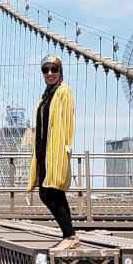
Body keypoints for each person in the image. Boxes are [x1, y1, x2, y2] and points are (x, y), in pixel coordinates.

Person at [28, 54, 79, 249]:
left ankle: (70, 236)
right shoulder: (47, 94)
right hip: (42, 148)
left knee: (51, 191)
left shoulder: (64, 91)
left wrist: (64, 149)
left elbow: (68, 122)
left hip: (55, 149)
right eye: (45, 69)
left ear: (60, 70)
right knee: (46, 192)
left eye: (54, 69)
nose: (50, 73)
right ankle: (69, 235)